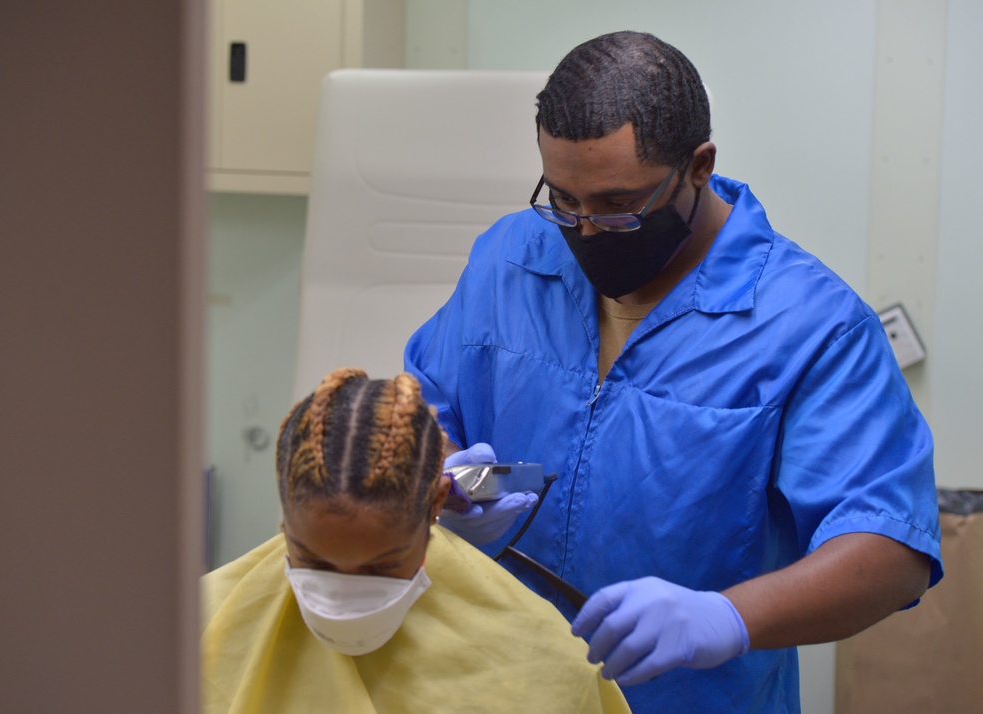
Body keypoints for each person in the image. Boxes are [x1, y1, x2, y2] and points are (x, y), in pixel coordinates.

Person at [403, 30, 943, 713]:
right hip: (495, 688)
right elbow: (425, 402)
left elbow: (891, 549)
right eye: (564, 200)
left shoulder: (812, 328)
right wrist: (449, 479)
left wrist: (726, 617)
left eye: (617, 206)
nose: (585, 230)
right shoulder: (512, 256)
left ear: (698, 166)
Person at [200, 368, 631, 714]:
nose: (342, 599)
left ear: (437, 503)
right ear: (285, 509)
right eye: (315, 563)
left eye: (383, 567)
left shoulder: (546, 661)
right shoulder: (193, 625)